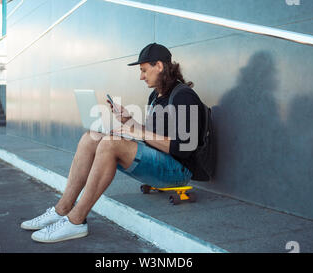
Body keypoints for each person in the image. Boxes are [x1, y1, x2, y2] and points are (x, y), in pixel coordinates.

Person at [21, 43, 205, 243]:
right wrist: (128, 121)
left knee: (110, 144)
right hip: (161, 162)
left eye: (143, 70)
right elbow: (153, 135)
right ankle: (62, 209)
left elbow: (184, 148)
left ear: (159, 66)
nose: (141, 77)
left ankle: (75, 221)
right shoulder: (156, 96)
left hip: (178, 171)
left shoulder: (183, 96)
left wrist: (135, 132)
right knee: (90, 138)